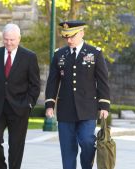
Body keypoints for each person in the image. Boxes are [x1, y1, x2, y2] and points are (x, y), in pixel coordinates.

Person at [45, 20, 110, 169]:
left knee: (88, 142)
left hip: (87, 109)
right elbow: (52, 82)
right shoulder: (59, 54)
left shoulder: (95, 53)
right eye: (66, 37)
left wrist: (104, 105)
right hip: (66, 110)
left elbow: (103, 81)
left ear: (82, 33)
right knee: (67, 150)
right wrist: (50, 104)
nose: (69, 40)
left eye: (72, 36)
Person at [0, 23, 40, 169]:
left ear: (19, 39)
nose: (9, 43)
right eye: (6, 39)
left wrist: (29, 104)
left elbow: (35, 85)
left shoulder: (29, 57)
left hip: (20, 109)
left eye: (12, 40)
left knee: (16, 148)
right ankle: (0, 165)